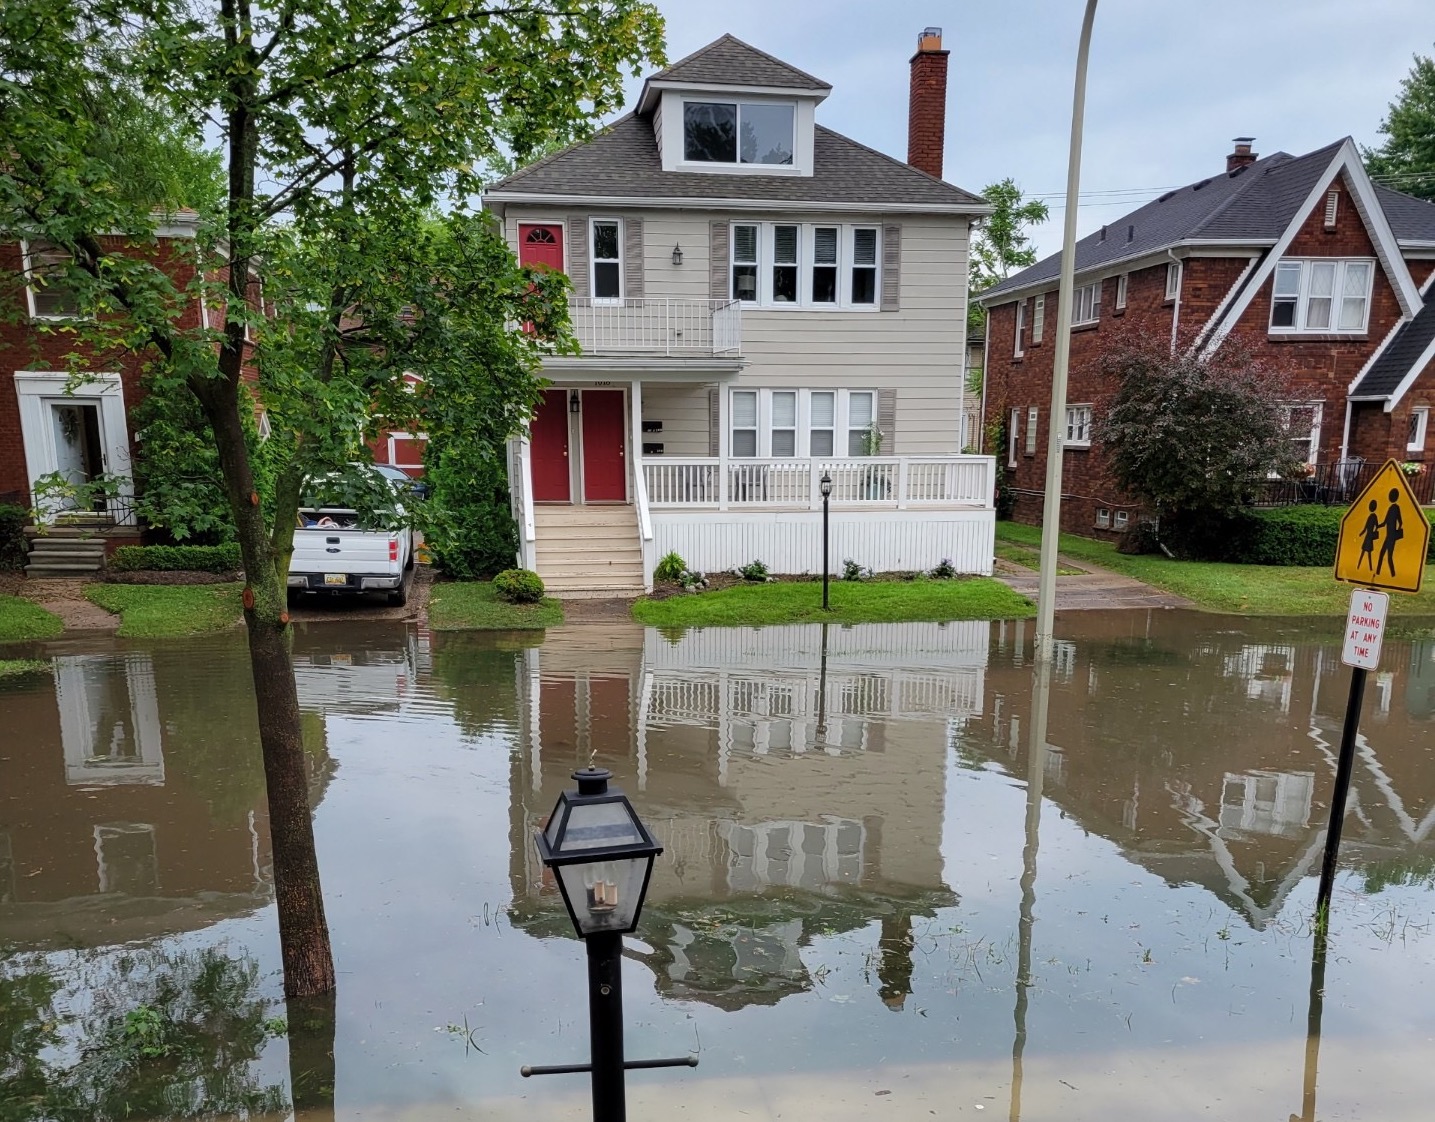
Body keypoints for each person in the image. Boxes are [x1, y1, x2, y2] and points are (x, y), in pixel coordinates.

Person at [1376, 489, 1404, 578]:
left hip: (1391, 537)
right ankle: (1378, 573)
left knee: (1388, 556)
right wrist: (1378, 526)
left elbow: (1400, 522)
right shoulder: (1392, 508)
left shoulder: (1395, 508)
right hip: (1389, 536)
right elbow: (1385, 522)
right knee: (1384, 554)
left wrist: (1396, 532)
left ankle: (1391, 574)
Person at [1358, 499, 1380, 571]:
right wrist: (1360, 534)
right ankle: (1360, 566)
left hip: (1369, 536)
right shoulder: (1372, 516)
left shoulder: (1372, 516)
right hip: (1368, 536)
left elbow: (1374, 526)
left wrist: (1362, 534)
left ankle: (1367, 567)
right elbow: (1374, 526)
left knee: (1366, 552)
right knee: (1365, 552)